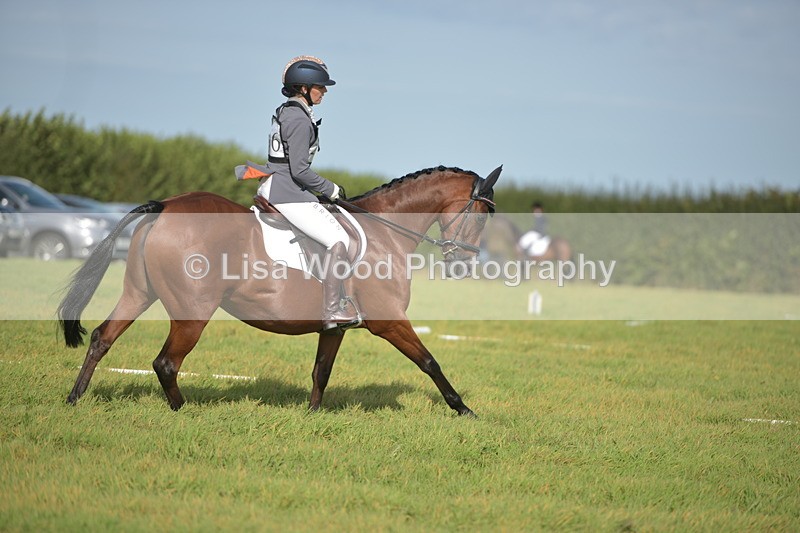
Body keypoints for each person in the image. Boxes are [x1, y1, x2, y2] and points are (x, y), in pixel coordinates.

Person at [256, 55, 358, 334]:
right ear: (303, 88)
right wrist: (331, 189)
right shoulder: (299, 119)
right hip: (287, 190)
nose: (324, 91)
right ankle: (332, 310)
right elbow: (300, 170)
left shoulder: (287, 111)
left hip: (277, 185)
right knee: (339, 239)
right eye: (320, 87)